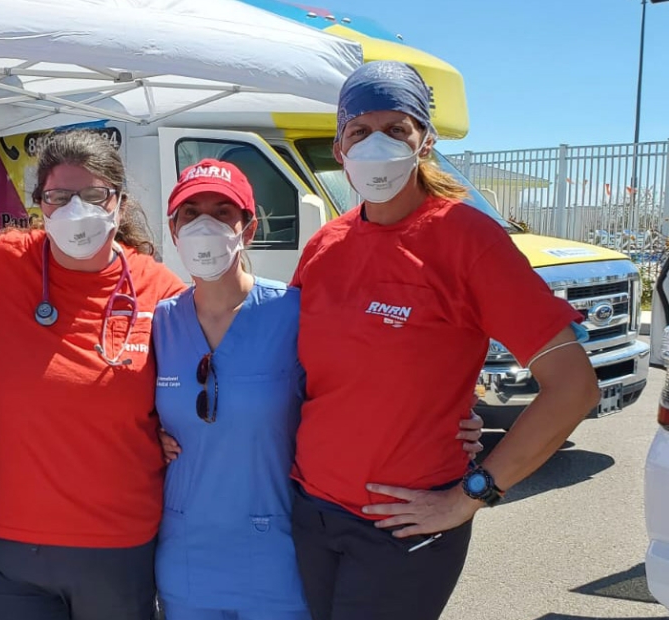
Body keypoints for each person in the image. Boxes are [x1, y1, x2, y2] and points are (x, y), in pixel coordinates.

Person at [289, 61, 600, 620]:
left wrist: (474, 493)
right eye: (360, 131)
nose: (377, 145)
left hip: (403, 529)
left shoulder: (468, 240)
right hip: (309, 512)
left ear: (424, 142)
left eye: (396, 129)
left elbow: (573, 388)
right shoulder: (324, 247)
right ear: (339, 148)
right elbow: (296, 376)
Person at [153, 160, 484, 620]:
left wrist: (457, 422)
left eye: (222, 212)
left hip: (276, 556)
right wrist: (145, 435)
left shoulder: (293, 314)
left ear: (248, 229)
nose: (205, 225)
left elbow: (368, 382)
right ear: (173, 229)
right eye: (190, 213)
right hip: (185, 554)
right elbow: (117, 405)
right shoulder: (159, 324)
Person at [0, 129, 187, 620]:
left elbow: (197, 386)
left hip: (117, 548)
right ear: (40, 204)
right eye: (59, 197)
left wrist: (176, 427)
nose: (75, 210)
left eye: (93, 195)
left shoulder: (159, 289)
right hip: (5, 551)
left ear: (119, 204)